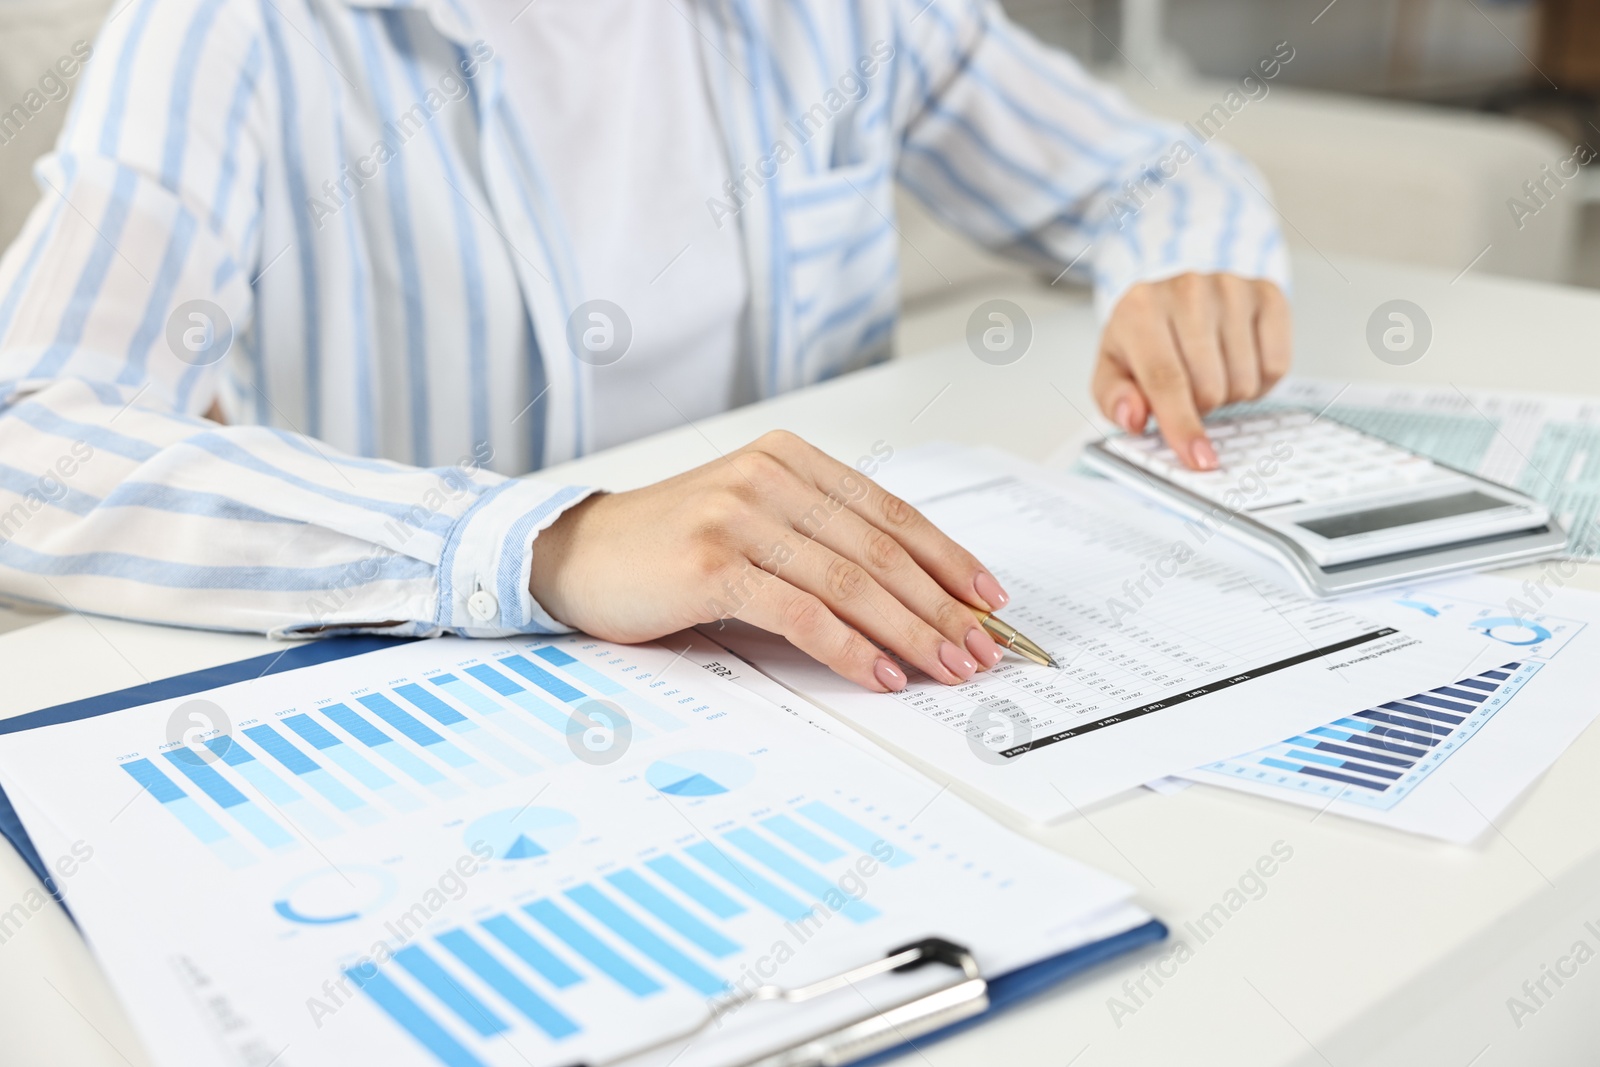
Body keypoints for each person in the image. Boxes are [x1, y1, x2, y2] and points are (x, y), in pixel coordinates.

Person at [0, 0, 1290, 693]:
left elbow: (1151, 175)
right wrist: (542, 540)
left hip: (829, 679)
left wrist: (1189, 266)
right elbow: (28, 437)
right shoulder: (235, 31)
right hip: (447, 698)